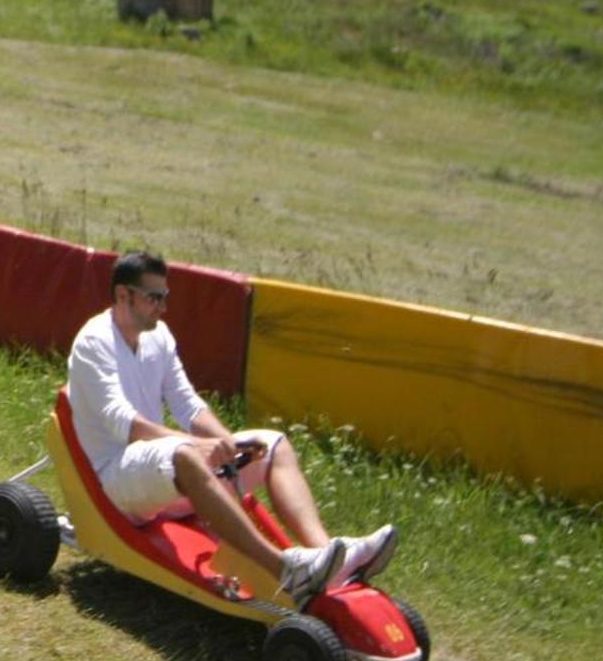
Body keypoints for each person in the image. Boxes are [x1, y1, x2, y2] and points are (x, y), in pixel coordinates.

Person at [66, 251, 395, 607]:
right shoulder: (94, 342)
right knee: (186, 455)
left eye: (166, 297)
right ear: (122, 295)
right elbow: (123, 423)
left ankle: (328, 556)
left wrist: (224, 441)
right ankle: (286, 569)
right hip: (116, 482)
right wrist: (198, 446)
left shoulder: (158, 336)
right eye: (153, 297)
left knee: (274, 445)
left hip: (156, 475)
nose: (163, 307)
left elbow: (188, 404)